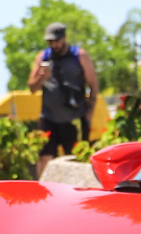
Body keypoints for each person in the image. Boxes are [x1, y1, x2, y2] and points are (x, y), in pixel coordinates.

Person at [28, 22, 100, 162]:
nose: (54, 45)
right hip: (49, 117)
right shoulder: (43, 56)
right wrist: (42, 76)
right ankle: (44, 184)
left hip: (74, 117)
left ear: (64, 38)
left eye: (57, 41)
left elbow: (93, 84)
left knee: (75, 159)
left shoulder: (79, 55)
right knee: (44, 158)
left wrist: (89, 112)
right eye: (51, 42)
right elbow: (32, 88)